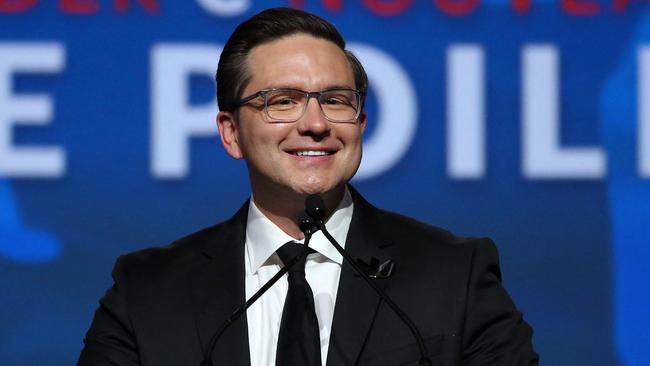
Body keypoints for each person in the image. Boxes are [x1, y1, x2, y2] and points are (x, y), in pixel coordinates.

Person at [78, 7, 538, 366]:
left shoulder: (454, 275)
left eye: (336, 101)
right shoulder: (148, 292)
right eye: (282, 101)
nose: (316, 124)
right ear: (231, 133)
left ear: (360, 122)